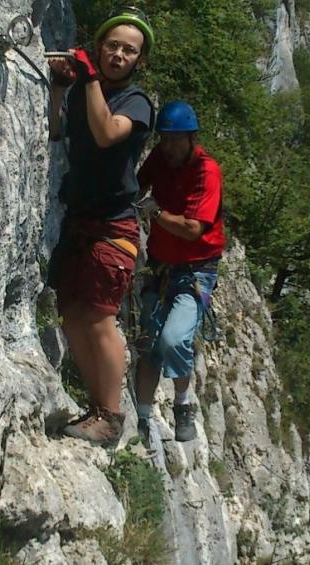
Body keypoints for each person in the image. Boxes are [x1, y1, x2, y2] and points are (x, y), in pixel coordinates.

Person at [46, 7, 155, 446]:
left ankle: (111, 415)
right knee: (73, 314)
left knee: (99, 317)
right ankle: (97, 408)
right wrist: (60, 90)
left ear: (138, 61)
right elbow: (57, 132)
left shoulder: (137, 102)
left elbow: (109, 133)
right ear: (100, 47)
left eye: (129, 50)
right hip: (80, 218)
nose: (118, 55)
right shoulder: (84, 92)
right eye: (112, 45)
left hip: (114, 224)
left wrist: (89, 79)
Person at [133, 101, 225, 443]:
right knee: (149, 343)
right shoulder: (160, 158)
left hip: (195, 271)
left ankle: (183, 402)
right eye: (165, 139)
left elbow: (192, 229)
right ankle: (143, 419)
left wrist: (154, 214)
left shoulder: (206, 171)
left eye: (176, 140)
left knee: (174, 338)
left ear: (191, 138)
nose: (169, 146)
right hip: (160, 264)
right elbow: (137, 186)